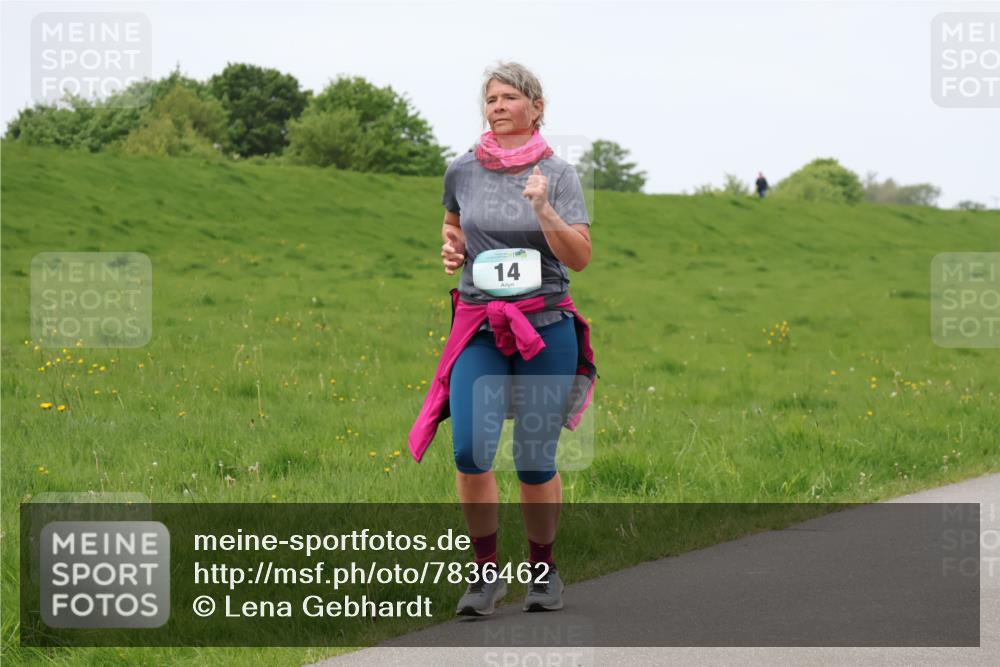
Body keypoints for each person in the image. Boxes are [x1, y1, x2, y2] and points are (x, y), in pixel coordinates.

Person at [407, 61, 597, 616]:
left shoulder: (558, 175)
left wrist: (542, 209)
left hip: (545, 326)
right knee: (469, 449)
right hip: (479, 325)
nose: (498, 105)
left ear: (536, 107)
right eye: (491, 98)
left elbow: (580, 257)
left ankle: (544, 571)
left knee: (535, 458)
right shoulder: (461, 169)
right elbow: (453, 227)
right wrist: (450, 248)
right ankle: (485, 575)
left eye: (511, 97)